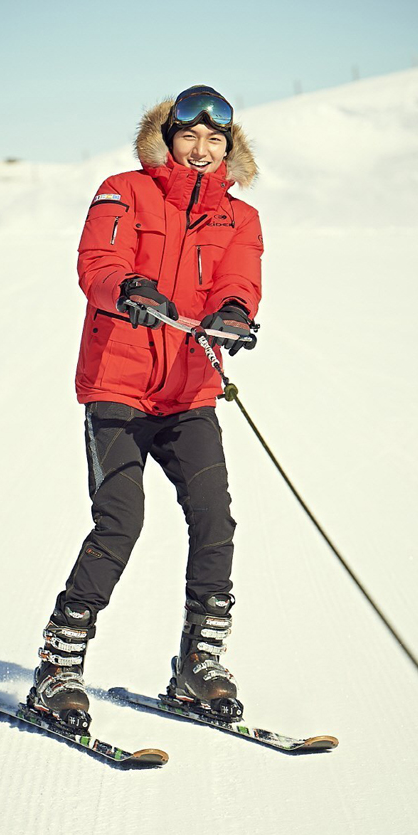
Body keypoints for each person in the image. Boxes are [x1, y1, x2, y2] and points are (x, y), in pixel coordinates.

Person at [28, 85, 263, 728]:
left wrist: (236, 312)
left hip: (190, 392)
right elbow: (97, 260)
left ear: (228, 148)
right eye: (190, 136)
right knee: (120, 523)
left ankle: (199, 666)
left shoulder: (240, 218)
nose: (201, 150)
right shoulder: (122, 190)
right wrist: (126, 285)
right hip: (118, 387)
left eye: (216, 140)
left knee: (215, 521)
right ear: (166, 138)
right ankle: (58, 669)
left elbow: (238, 278)